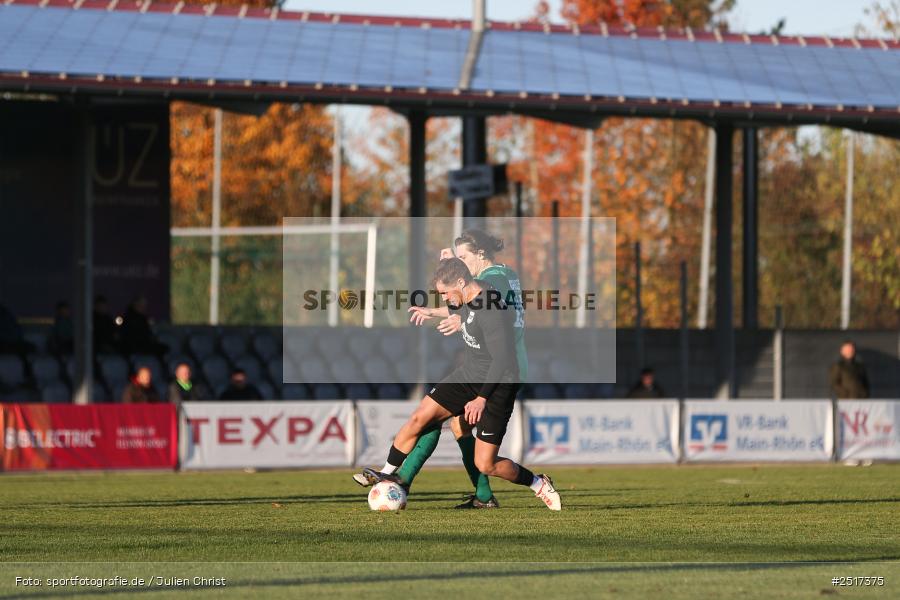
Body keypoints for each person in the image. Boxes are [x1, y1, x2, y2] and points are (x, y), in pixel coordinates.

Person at [356, 258, 560, 511]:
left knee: (487, 464)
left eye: (444, 292)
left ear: (462, 283)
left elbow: (502, 359)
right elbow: (459, 309)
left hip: (498, 383)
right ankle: (387, 473)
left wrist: (481, 398)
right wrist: (432, 312)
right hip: (468, 375)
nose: (443, 298)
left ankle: (538, 483)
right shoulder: (467, 295)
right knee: (421, 417)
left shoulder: (490, 308)